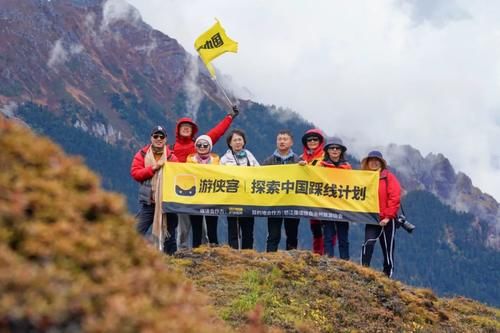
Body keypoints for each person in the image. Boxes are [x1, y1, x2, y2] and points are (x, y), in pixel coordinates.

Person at [174, 106, 239, 249]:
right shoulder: (171, 149)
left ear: (192, 131)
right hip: (182, 193)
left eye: (188, 127)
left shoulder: (199, 145)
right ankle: (182, 250)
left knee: (202, 227)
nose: (185, 129)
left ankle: (203, 250)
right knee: (184, 224)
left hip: (204, 194)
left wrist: (229, 117)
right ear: (178, 130)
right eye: (183, 127)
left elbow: (217, 132)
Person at [130, 125, 179, 254]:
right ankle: (130, 257)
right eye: (156, 136)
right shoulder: (142, 155)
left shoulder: (172, 158)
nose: (159, 139)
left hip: (167, 203)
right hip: (148, 202)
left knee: (169, 236)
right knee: (136, 230)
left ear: (166, 139)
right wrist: (153, 168)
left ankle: (172, 263)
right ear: (151, 138)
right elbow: (136, 174)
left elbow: (179, 178)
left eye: (161, 136)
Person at [360, 150, 401, 277]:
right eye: (371, 160)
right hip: (372, 218)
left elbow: (394, 198)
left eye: (376, 160)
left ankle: (387, 275)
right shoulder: (363, 177)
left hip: (388, 220)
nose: (374, 163)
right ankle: (364, 271)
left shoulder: (388, 177)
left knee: (387, 248)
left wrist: (388, 217)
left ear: (381, 163)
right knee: (368, 243)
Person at [262, 130, 302, 252]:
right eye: (279, 139)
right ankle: (270, 260)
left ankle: (291, 263)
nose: (282, 141)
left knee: (292, 235)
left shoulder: (298, 161)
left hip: (293, 204)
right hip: (274, 204)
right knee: (273, 235)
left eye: (285, 139)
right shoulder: (268, 162)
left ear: (291, 142)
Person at [220, 129, 259, 249]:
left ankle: (248, 254)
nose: (237, 142)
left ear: (244, 142)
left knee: (248, 230)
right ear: (229, 143)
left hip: (248, 199)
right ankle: (233, 255)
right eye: (234, 140)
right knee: (234, 229)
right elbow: (220, 177)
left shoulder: (250, 156)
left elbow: (259, 172)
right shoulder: (224, 159)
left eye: (239, 139)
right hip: (232, 200)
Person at [319, 138, 352, 259]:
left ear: (341, 151)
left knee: (343, 236)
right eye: (331, 148)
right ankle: (329, 260)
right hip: (326, 206)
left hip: (342, 206)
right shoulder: (320, 166)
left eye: (337, 148)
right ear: (327, 150)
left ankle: (345, 261)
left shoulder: (348, 167)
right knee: (328, 235)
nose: (334, 150)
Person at [186, 135, 220, 247]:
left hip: (212, 200)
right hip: (195, 200)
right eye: (199, 145)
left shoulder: (217, 162)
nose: (202, 147)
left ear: (210, 147)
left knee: (212, 230)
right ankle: (196, 255)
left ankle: (216, 254)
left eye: (205, 145)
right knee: (196, 230)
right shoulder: (189, 162)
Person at [298, 128, 328, 255]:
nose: (312, 142)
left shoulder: (326, 156)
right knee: (315, 229)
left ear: (320, 141)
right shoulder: (301, 158)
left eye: (315, 139)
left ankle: (327, 254)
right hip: (310, 199)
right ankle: (317, 254)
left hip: (326, 199)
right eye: (309, 140)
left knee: (328, 228)